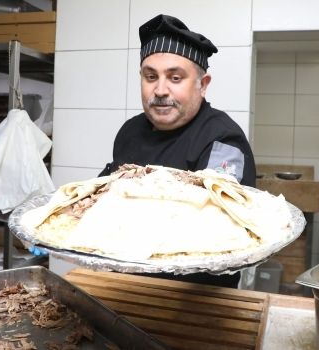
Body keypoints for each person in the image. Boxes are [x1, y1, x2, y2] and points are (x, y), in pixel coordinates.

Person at [99, 14, 257, 288]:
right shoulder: (129, 132)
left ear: (203, 84)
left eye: (175, 77)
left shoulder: (222, 139)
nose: (160, 90)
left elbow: (217, 226)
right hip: (126, 288)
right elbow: (103, 195)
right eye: (151, 77)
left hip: (194, 297)